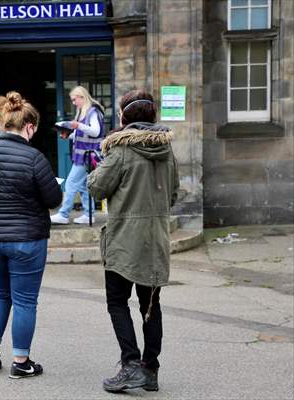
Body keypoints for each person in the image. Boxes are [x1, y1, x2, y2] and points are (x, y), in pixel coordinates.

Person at [87, 90, 180, 393]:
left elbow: (96, 188)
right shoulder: (168, 152)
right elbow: (174, 194)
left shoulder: (120, 151)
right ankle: (150, 370)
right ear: (153, 116)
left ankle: (130, 365)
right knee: (150, 306)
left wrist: (98, 167)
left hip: (124, 241)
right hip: (155, 242)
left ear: (124, 117)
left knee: (117, 302)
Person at [0, 91, 62, 379]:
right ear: (30, 126)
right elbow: (53, 199)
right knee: (24, 300)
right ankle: (21, 362)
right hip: (27, 238)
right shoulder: (34, 157)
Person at [51, 85, 105, 225]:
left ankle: (63, 214)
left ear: (82, 97)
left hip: (87, 156)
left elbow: (95, 132)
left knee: (71, 183)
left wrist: (77, 126)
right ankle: (89, 214)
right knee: (83, 186)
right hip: (84, 155)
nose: (74, 103)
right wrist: (68, 135)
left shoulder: (93, 112)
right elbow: (83, 134)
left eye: (75, 100)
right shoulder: (84, 112)